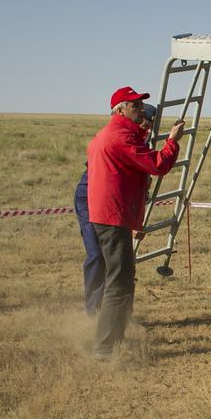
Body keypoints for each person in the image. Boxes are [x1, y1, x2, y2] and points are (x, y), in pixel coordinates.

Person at [86, 87, 184, 358]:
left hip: (109, 214)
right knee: (119, 282)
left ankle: (113, 340)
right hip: (113, 216)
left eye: (141, 106)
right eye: (135, 106)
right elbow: (158, 165)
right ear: (119, 110)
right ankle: (104, 348)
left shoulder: (115, 134)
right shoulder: (120, 137)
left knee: (122, 279)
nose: (141, 111)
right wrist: (173, 141)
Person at [74, 102, 157, 315]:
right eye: (144, 120)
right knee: (97, 256)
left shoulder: (141, 139)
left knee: (118, 261)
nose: (147, 127)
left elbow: (138, 182)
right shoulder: (120, 137)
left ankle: (118, 314)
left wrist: (134, 220)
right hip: (92, 195)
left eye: (150, 124)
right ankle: (93, 313)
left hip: (113, 201)